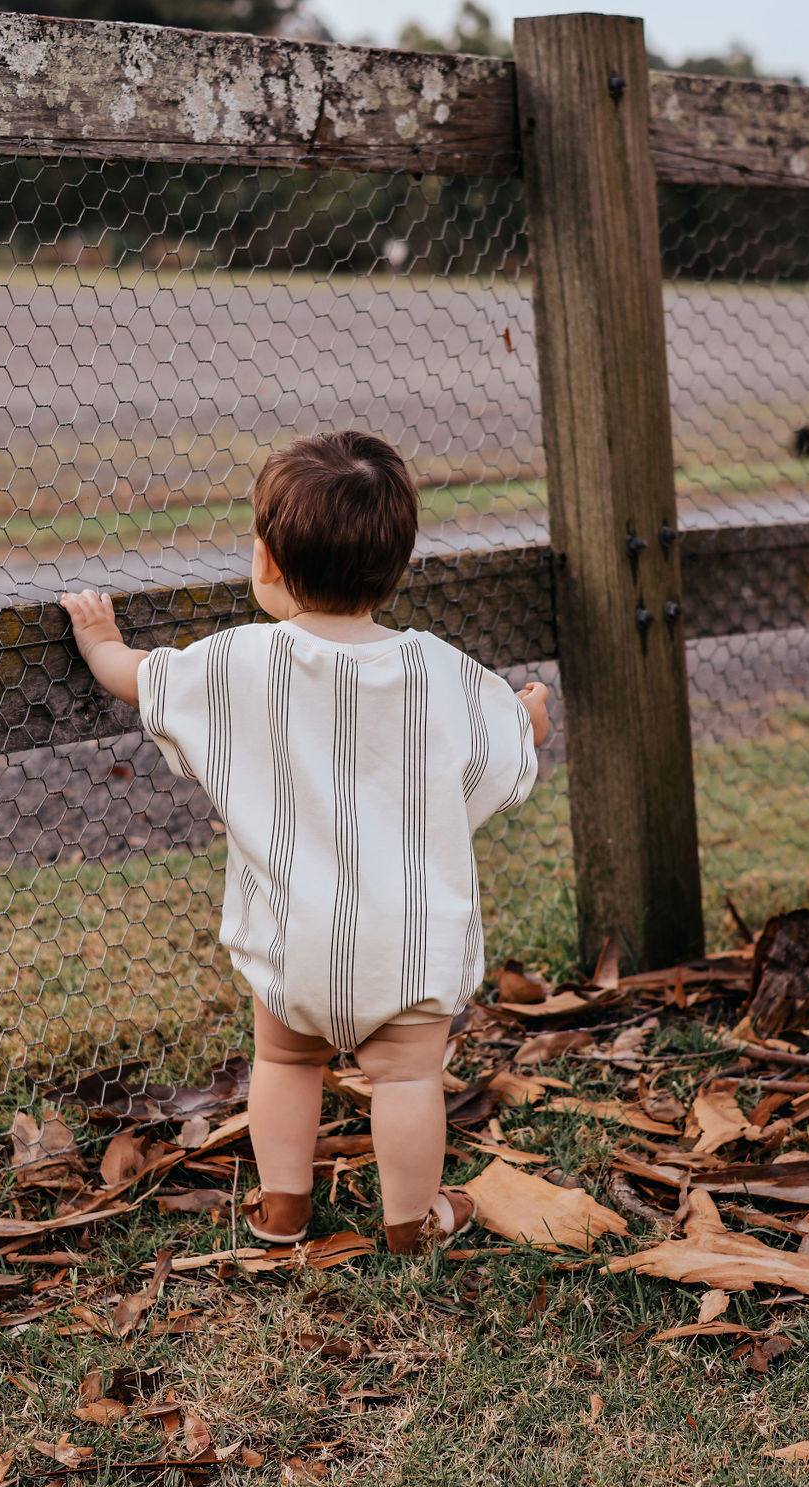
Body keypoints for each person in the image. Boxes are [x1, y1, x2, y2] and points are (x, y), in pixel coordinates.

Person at [60, 429, 549, 1254]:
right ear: (396, 569)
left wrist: (99, 638)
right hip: (408, 941)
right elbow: (507, 735)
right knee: (406, 1079)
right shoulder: (443, 671)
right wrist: (530, 718)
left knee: (286, 1066)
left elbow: (140, 676)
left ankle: (282, 1208)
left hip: (294, 940)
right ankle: (410, 1223)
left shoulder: (237, 664)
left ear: (265, 562)